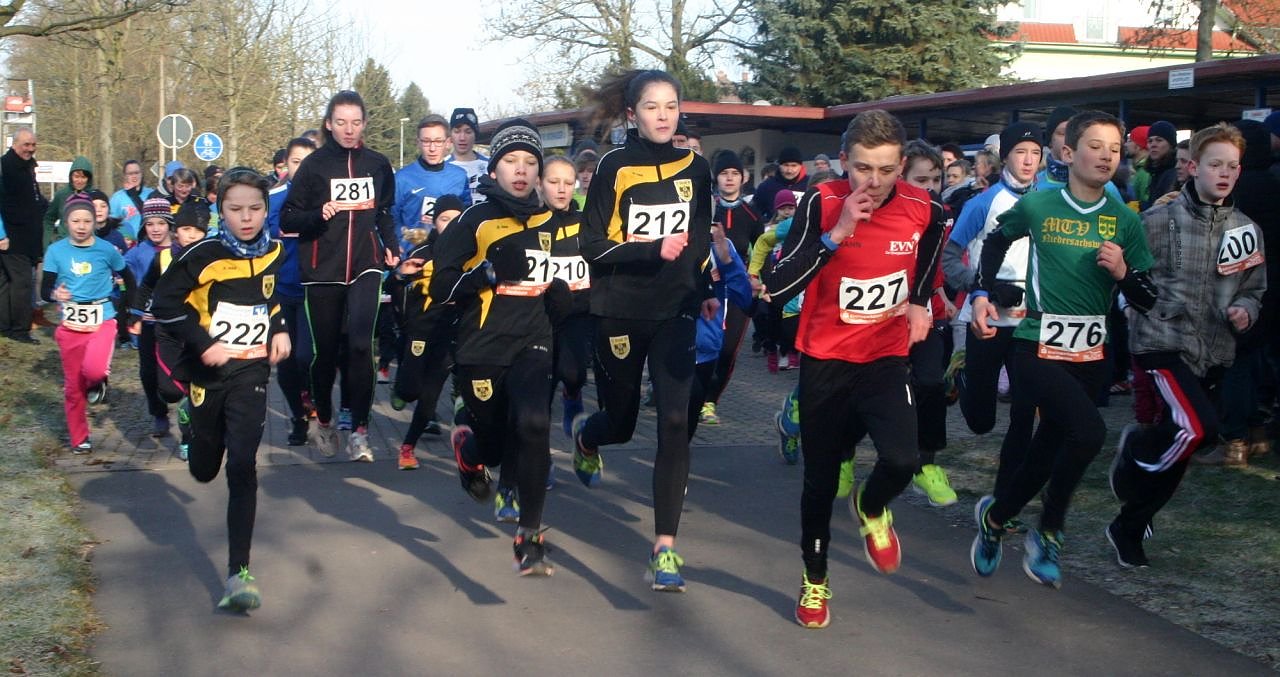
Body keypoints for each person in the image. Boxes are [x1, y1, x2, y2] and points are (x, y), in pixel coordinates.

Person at [764, 109, 945, 628]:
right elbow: (777, 285)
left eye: (887, 169)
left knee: (903, 460)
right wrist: (837, 233)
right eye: (863, 168)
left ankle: (871, 505)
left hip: (884, 355)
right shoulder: (820, 203)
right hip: (826, 359)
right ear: (844, 161)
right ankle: (815, 579)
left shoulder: (923, 206)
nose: (874, 181)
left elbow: (932, 245)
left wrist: (920, 301)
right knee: (820, 482)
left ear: (902, 165)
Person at [969, 110, 1157, 590]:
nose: (1107, 156)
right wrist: (985, 291)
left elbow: (1147, 298)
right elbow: (994, 243)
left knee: (1047, 451)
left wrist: (1123, 274)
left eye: (1115, 149)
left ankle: (996, 517)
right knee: (1090, 432)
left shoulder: (1124, 219)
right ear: (1068, 153)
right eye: (1095, 146)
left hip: (1091, 355)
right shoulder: (1039, 205)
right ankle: (1049, 530)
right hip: (1036, 344)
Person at [572, 69, 716, 592]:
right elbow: (591, 245)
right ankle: (588, 436)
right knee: (622, 422)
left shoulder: (696, 167)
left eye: (671, 106)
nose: (663, 116)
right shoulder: (614, 166)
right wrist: (651, 249)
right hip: (620, 310)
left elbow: (699, 236)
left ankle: (665, 548)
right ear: (633, 114)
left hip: (674, 309)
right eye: (652, 107)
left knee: (676, 419)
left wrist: (701, 287)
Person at [1108, 123, 1263, 568]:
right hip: (1160, 342)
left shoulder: (1246, 230)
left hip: (1213, 350)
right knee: (1200, 428)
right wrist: (1132, 303)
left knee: (1185, 446)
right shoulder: (1157, 221)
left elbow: (1254, 290)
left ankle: (1129, 525)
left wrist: (1245, 310)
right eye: (1216, 164)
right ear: (1193, 168)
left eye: (1232, 166)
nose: (1225, 173)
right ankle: (1138, 451)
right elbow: (1127, 274)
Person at [151, 168, 290, 612]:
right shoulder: (203, 254)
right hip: (208, 373)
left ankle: (238, 573)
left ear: (265, 210)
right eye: (235, 209)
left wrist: (280, 328)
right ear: (220, 211)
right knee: (204, 469)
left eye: (255, 208)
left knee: (243, 464)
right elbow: (164, 304)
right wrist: (203, 341)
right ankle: (191, 424)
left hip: (251, 371)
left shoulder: (273, 251)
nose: (246, 218)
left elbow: (270, 297)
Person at [431, 119, 567, 574]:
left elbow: (569, 277)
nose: (521, 169)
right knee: (492, 446)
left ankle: (530, 537)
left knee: (534, 423)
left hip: (533, 341)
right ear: (494, 170)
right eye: (511, 161)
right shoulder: (474, 221)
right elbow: (441, 286)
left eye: (530, 162)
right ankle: (469, 454)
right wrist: (485, 274)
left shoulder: (551, 220)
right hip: (482, 347)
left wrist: (566, 296)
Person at [281, 90, 398, 462]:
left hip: (366, 264)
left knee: (362, 346)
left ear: (364, 124)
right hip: (323, 269)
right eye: (342, 122)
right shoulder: (314, 166)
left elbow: (384, 212)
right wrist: (319, 213)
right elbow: (288, 218)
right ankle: (325, 418)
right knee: (325, 353)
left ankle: (360, 431)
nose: (349, 130)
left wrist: (392, 245)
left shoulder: (378, 164)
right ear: (329, 124)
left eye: (356, 122)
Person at [42, 196, 132, 453]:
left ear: (95, 222)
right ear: (66, 222)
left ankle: (98, 381)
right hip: (70, 324)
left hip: (102, 318)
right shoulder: (56, 251)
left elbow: (128, 277)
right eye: (75, 221)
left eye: (87, 221)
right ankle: (79, 438)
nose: (81, 226)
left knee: (94, 370)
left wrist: (129, 309)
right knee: (73, 387)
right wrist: (55, 294)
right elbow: (45, 289)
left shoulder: (106, 250)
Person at [388, 195, 464, 471]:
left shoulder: (470, 253)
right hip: (420, 330)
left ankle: (407, 447)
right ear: (434, 222)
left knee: (430, 397)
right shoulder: (422, 252)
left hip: (451, 333)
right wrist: (400, 274)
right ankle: (400, 389)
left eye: (456, 219)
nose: (450, 224)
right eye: (444, 219)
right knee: (410, 391)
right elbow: (392, 288)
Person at [701, 150, 763, 424]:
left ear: (743, 178)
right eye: (724, 173)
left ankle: (710, 401)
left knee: (728, 350)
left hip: (738, 288)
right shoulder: (705, 208)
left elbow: (762, 249)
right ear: (716, 177)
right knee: (706, 345)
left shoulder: (752, 213)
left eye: (734, 173)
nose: (729, 178)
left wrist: (758, 279)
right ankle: (693, 392)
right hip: (709, 287)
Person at [267, 136, 318, 446]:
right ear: (285, 163)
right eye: (297, 161)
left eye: (308, 162)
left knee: (306, 356)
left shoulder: (326, 197)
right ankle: (298, 417)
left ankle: (312, 396)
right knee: (285, 360)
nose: (302, 168)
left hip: (315, 290)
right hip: (281, 290)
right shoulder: (272, 198)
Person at [540, 156, 593, 441]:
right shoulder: (530, 222)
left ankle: (572, 396)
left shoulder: (586, 223)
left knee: (574, 374)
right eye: (553, 182)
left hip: (578, 314)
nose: (561, 189)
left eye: (568, 182)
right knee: (541, 389)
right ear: (540, 184)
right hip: (541, 317)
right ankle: (538, 454)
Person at [0, 128, 48, 342]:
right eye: (26, 145)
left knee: (6, 281)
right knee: (22, 282)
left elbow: (31, 198)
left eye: (33, 145)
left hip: (23, 235)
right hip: (12, 236)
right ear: (14, 144)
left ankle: (5, 326)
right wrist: (1, 234)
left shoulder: (27, 167)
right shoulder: (5, 166)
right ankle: (19, 330)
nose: (30, 149)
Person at [44, 156, 94, 244]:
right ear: (71, 177)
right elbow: (49, 219)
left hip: (88, 244)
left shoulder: (94, 195)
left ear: (89, 179)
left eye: (83, 177)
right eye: (76, 176)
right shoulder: (61, 195)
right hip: (64, 242)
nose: (79, 181)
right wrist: (47, 242)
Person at [752, 146, 808, 221]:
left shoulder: (810, 184)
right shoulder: (766, 186)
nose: (789, 170)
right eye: (786, 165)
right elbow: (754, 214)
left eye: (794, 165)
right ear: (779, 165)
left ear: (801, 166)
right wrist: (770, 223)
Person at [447, 107, 488, 204]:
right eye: (457, 131)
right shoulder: (442, 167)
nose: (462, 138)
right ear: (450, 135)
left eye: (468, 132)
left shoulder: (490, 165)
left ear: (475, 134)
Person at [109, 160, 155, 241]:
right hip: (128, 243)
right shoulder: (117, 198)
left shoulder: (151, 194)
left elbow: (152, 217)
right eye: (130, 174)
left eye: (137, 173)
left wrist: (133, 195)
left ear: (141, 174)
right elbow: (111, 224)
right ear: (125, 176)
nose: (134, 176)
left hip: (149, 241)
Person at [1143, 121, 1179, 208]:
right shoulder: (1155, 171)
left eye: (1159, 140)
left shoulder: (1174, 173)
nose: (1153, 145)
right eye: (1150, 141)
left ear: (1171, 145)